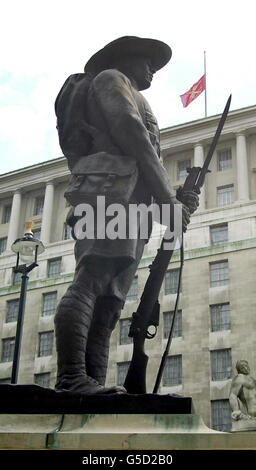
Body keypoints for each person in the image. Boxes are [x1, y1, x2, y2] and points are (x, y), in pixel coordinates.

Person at [54, 36, 198, 394]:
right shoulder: (110, 79)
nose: (152, 69)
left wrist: (173, 199)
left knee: (110, 302)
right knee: (92, 280)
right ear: (123, 59)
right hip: (108, 197)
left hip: (130, 202)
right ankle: (71, 377)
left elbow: (140, 154)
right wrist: (168, 200)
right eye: (146, 61)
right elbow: (132, 135)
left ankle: (92, 384)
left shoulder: (133, 90)